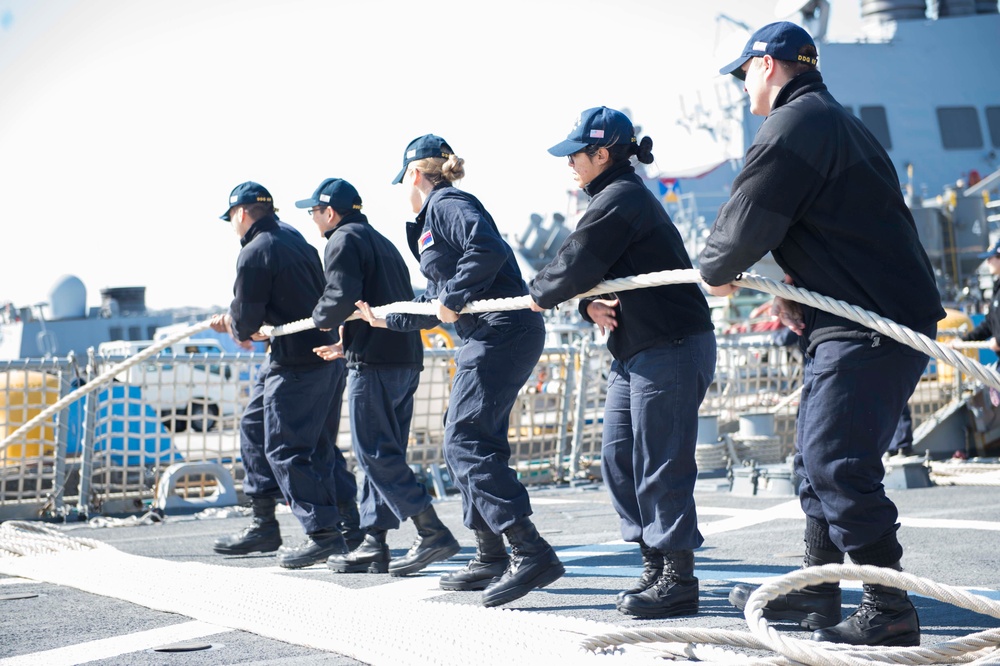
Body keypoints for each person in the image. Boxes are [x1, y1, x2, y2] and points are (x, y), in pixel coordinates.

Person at [701, 22, 945, 647]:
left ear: (768, 65)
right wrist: (791, 284)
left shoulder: (793, 124)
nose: (741, 85)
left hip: (868, 323)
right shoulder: (830, 118)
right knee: (814, 461)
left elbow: (733, 239)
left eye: (743, 72)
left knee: (837, 463)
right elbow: (837, 222)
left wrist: (717, 269)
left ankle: (888, 608)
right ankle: (817, 589)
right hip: (856, 315)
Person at [354, 134, 564, 606]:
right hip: (489, 332)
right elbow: (436, 301)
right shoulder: (436, 215)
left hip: (500, 331)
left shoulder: (448, 203)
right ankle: (490, 553)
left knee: (465, 442)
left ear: (413, 174)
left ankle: (530, 552)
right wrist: (385, 317)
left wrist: (451, 297)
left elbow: (484, 248)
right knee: (470, 441)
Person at [528, 107, 716, 618]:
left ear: (602, 154)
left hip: (673, 345)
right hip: (638, 348)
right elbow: (596, 274)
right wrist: (587, 303)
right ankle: (654, 561)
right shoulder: (612, 199)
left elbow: (577, 258)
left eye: (576, 154)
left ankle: (678, 577)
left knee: (661, 461)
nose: (569, 163)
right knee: (619, 457)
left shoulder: (621, 198)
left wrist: (537, 295)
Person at [294, 177, 459, 576]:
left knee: (373, 452)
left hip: (375, 365)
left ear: (329, 212)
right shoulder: (380, 242)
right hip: (403, 357)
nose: (313, 219)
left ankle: (431, 530)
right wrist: (346, 342)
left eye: (314, 212)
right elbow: (375, 302)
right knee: (383, 453)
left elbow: (340, 297)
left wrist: (318, 321)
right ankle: (374, 542)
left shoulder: (341, 240)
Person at [209, 181, 355, 569]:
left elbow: (246, 320)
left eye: (231, 219)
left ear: (240, 215)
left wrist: (233, 325)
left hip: (295, 363)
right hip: (320, 357)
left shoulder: (255, 252)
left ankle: (324, 534)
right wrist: (247, 325)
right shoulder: (292, 237)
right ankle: (278, 524)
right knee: (260, 428)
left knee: (288, 448)